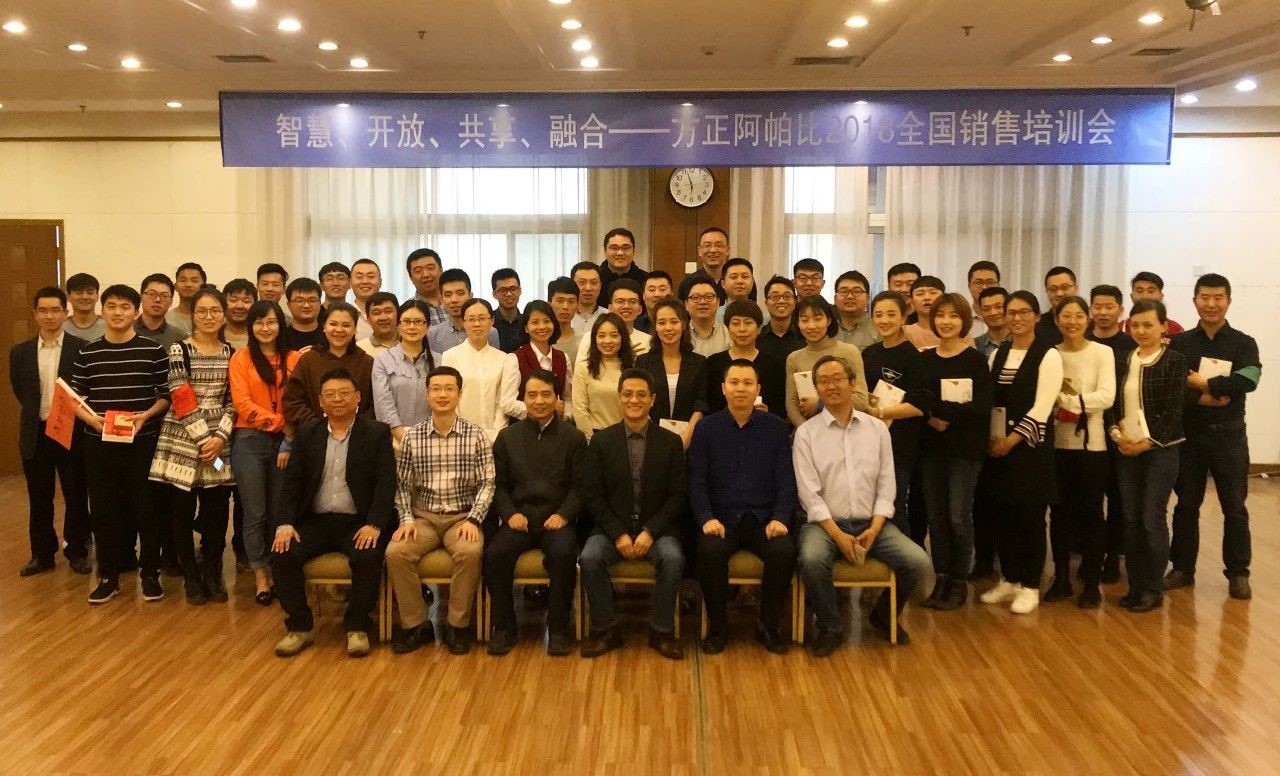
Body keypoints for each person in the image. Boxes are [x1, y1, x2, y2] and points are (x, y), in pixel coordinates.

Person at [795, 355, 932, 655]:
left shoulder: (877, 429)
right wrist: (837, 535)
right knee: (812, 559)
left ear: (853, 383)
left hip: (873, 524)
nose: (831, 386)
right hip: (824, 525)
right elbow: (809, 495)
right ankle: (831, 627)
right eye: (823, 381)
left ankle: (883, 615)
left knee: (918, 562)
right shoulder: (806, 434)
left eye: (837, 379)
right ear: (816, 388)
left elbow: (887, 484)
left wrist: (876, 527)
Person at [271, 368, 396, 658]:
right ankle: (300, 626)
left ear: (358, 397)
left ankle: (357, 626)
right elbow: (291, 483)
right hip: (315, 521)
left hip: (358, 521)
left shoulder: (376, 433)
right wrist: (284, 523)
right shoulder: (307, 433)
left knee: (368, 554)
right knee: (282, 552)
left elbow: (386, 483)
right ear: (321, 401)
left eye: (344, 393)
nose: (337, 399)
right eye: (330, 395)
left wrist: (375, 524)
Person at [71, 284, 170, 604]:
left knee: (147, 510)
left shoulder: (153, 350)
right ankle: (108, 577)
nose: (118, 312)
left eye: (125, 307)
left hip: (143, 443)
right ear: (102, 311)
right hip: (99, 444)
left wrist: (146, 415)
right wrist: (93, 420)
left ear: (136, 312)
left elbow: (166, 395)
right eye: (111, 306)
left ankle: (150, 575)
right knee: (103, 512)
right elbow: (73, 398)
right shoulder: (87, 353)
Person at [689, 360, 796, 654]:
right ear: (723, 388)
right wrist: (706, 518)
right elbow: (696, 480)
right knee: (709, 552)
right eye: (734, 382)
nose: (740, 388)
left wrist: (780, 517)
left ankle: (768, 626)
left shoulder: (775, 427)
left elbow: (786, 478)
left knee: (784, 550)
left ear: (757, 389)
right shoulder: (706, 428)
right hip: (721, 519)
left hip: (764, 519)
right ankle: (718, 627)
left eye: (747, 383)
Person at [579, 368, 687, 660]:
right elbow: (593, 495)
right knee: (590, 557)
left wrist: (651, 531)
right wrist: (618, 534)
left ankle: (661, 631)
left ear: (653, 399)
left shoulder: (671, 442)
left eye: (641, 394)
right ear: (619, 398)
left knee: (672, 558)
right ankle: (606, 630)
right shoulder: (601, 442)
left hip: (657, 530)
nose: (634, 400)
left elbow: (678, 496)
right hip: (612, 529)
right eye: (627, 394)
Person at [386, 366, 494, 655]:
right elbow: (402, 485)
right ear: (427, 394)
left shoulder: (476, 435)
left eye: (449, 389)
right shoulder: (412, 437)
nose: (442, 394)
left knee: (470, 552)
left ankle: (456, 625)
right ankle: (417, 624)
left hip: (462, 516)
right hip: (423, 517)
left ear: (459, 394)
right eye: (436, 389)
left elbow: (487, 483)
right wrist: (406, 519)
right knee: (396, 553)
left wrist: (474, 519)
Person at [1168, 273, 1261, 600]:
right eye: (1205, 297)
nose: (1211, 304)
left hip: (1229, 438)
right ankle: (1182, 568)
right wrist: (1200, 398)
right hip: (1189, 438)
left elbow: (1249, 380)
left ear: (1228, 301)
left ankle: (1238, 573)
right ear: (1194, 301)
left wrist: (1205, 384)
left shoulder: (1243, 343)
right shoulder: (1180, 344)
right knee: (1185, 505)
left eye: (1218, 297)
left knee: (1234, 507)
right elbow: (1172, 385)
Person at [484, 369, 587, 656]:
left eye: (545, 395)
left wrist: (564, 514)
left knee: (564, 555)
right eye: (532, 395)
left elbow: (581, 487)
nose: (539, 401)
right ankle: (504, 628)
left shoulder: (574, 438)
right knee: (495, 555)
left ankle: (558, 630)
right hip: (519, 519)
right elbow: (498, 485)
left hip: (557, 520)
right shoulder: (507, 438)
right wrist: (510, 514)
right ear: (523, 399)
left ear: (556, 398)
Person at [148, 288, 237, 606]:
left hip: (218, 447)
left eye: (215, 311)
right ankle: (190, 576)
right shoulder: (179, 349)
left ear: (223, 314)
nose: (209, 317)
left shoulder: (231, 353)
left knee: (217, 510)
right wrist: (203, 439)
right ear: (193, 315)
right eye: (202, 311)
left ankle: (212, 571)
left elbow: (233, 400)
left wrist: (220, 438)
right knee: (181, 511)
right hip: (183, 442)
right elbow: (180, 394)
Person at [979, 291, 1063, 615]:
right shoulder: (999, 353)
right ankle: (1009, 578)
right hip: (999, 448)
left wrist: (1011, 440)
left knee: (1030, 519)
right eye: (1011, 312)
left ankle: (1030, 585)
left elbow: (1043, 407)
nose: (1016, 318)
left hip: (1030, 449)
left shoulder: (1049, 354)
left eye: (1023, 312)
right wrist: (993, 439)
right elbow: (990, 400)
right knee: (1003, 515)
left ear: (1037, 317)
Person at [1109, 300, 1187, 613]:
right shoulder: (1123, 359)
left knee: (1151, 519)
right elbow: (1114, 405)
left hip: (1161, 451)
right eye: (1135, 325)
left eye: (1148, 325)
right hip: (1126, 449)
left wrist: (1147, 443)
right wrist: (1118, 436)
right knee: (1130, 520)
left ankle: (1153, 588)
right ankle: (1136, 585)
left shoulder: (1174, 360)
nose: (1141, 331)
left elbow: (1173, 411)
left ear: (1163, 327)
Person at [9, 287, 91, 576]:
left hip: (72, 431)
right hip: (36, 432)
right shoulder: (20, 352)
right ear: (35, 314)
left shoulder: (81, 348)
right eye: (43, 310)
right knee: (39, 496)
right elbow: (21, 391)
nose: (49, 316)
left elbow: (86, 389)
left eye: (55, 310)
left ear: (65, 313)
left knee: (76, 494)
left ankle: (77, 551)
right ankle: (42, 555)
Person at [919, 294, 993, 611]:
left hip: (965, 450)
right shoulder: (925, 359)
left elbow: (981, 407)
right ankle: (942, 577)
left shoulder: (975, 360)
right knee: (936, 517)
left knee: (958, 516)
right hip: (931, 448)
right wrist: (931, 415)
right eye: (941, 315)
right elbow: (920, 398)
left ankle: (960, 580)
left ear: (964, 321)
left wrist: (945, 414)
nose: (946, 321)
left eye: (953, 316)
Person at [1044, 296, 1116, 608]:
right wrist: (1071, 404)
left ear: (1088, 319)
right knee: (1058, 514)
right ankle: (1061, 578)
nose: (1072, 321)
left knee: (1092, 514)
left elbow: (1107, 396)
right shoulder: (1050, 353)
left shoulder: (1102, 352)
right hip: (1057, 444)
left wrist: (1067, 402)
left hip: (1092, 446)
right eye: (1066, 316)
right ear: (1056, 320)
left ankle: (1092, 582)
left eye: (1078, 315)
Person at [230, 299, 300, 605]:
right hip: (250, 440)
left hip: (288, 442)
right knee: (255, 512)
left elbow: (300, 397)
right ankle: (260, 573)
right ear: (251, 327)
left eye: (271, 321)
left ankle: (280, 570)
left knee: (279, 511)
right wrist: (280, 423)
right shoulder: (241, 358)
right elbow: (241, 403)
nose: (265, 327)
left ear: (280, 325)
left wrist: (288, 429)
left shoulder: (294, 358)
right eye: (259, 322)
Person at [862, 291, 929, 538]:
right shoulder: (869, 353)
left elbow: (919, 405)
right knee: (871, 504)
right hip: (868, 441)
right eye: (878, 315)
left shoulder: (913, 356)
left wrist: (879, 412)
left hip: (900, 443)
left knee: (895, 503)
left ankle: (904, 556)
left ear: (903, 318)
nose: (884, 320)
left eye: (891, 314)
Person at [1086, 284, 1134, 583]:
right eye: (1098, 307)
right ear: (1090, 309)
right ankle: (1090, 554)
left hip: (1121, 430)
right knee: (1089, 499)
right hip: (1086, 429)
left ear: (1120, 310)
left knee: (1118, 498)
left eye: (1109, 307)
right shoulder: (1081, 341)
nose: (1103, 312)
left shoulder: (1130, 345)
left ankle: (1114, 556)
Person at [440, 299, 525, 444]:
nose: (477, 324)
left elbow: (503, 403)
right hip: (459, 438)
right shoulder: (450, 356)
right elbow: (449, 399)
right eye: (471, 319)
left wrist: (495, 435)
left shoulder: (505, 359)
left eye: (482, 319)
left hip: (496, 438)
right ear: (464, 322)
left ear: (492, 321)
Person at [283, 301, 374, 428]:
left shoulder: (366, 362)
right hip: (314, 432)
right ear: (324, 326)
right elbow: (292, 400)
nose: (339, 330)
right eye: (333, 324)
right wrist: (316, 426)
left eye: (346, 325)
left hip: (359, 433)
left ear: (354, 329)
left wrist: (356, 427)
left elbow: (375, 403)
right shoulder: (308, 360)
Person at [785, 295, 868, 428]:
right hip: (809, 431)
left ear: (828, 320)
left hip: (847, 429)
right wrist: (807, 432)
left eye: (818, 319)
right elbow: (791, 405)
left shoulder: (849, 352)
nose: (811, 326)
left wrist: (820, 404)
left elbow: (861, 400)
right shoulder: (794, 358)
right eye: (804, 320)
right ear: (798, 323)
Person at [635, 298, 707, 450]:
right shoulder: (643, 362)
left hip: (690, 439)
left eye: (674, 322)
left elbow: (701, 403)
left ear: (683, 325)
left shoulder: (699, 362)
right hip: (651, 439)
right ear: (655, 327)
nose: (668, 328)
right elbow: (640, 400)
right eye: (662, 323)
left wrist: (688, 435)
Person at [372, 299, 437, 451]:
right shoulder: (383, 360)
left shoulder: (439, 360)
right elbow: (383, 403)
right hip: (393, 441)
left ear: (428, 326)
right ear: (398, 325)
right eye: (406, 321)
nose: (412, 327)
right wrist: (402, 437)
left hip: (432, 440)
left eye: (418, 322)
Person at [705, 300, 786, 421]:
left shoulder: (773, 365)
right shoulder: (713, 363)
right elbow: (708, 405)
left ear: (759, 328)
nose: (742, 329)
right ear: (727, 328)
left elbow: (781, 406)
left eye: (748, 323)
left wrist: (768, 414)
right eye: (736, 323)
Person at [572, 313, 634, 439]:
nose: (607, 341)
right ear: (594, 339)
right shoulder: (583, 368)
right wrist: (591, 440)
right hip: (595, 436)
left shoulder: (633, 367)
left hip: (627, 436)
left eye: (614, 335)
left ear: (623, 337)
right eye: (601, 336)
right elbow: (579, 410)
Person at [574, 279, 652, 362]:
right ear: (610, 308)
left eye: (632, 302)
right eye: (620, 301)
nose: (626, 306)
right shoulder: (590, 337)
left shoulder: (648, 340)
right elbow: (581, 368)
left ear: (640, 309)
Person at [428, 268, 500, 354]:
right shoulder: (433, 335)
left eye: (460, 293)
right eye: (448, 295)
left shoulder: (489, 332)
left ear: (470, 296)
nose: (454, 300)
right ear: (442, 300)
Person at [513, 300, 568, 404]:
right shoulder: (514, 359)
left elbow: (568, 398)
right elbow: (509, 402)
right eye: (535, 322)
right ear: (526, 328)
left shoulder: (563, 358)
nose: (542, 327)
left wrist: (565, 411)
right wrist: (543, 408)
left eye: (547, 321)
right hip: (525, 415)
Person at [136, 273, 190, 351]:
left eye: (164, 296)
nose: (157, 300)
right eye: (152, 294)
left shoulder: (180, 337)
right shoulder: (125, 330)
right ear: (141, 297)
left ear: (171, 302)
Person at [678, 226, 731, 302]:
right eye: (707, 245)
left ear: (727, 250)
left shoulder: (735, 282)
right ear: (699, 251)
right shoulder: (688, 283)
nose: (713, 250)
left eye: (718, 245)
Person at [1127, 271, 1185, 337]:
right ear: (1131, 296)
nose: (1145, 296)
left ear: (1161, 296)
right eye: (1140, 291)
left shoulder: (1175, 330)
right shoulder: (1121, 327)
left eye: (1151, 291)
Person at [759, 276, 804, 359]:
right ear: (766, 303)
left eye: (787, 296)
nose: (781, 301)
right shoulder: (758, 337)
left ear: (795, 302)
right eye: (775, 296)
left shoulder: (804, 336)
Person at [683, 276, 730, 356]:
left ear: (718, 302)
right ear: (686, 304)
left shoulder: (729, 335)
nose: (702, 302)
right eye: (696, 298)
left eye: (708, 297)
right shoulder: (679, 336)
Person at [833, 270, 878, 350]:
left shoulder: (878, 328)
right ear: (835, 299)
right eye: (844, 291)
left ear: (867, 298)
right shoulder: (826, 329)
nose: (850, 296)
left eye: (857, 291)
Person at [598, 227, 648, 297]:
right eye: (614, 248)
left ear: (634, 250)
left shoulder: (646, 280)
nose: (620, 253)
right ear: (605, 251)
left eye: (625, 248)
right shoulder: (595, 279)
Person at [902, 276, 949, 350]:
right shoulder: (903, 332)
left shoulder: (955, 330)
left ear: (944, 300)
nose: (927, 297)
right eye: (920, 294)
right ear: (912, 303)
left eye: (933, 293)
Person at [547, 276, 583, 367]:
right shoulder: (541, 340)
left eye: (571, 301)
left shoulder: (584, 341)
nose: (565, 307)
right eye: (560, 301)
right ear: (549, 304)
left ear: (577, 305)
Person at [282, 277, 327, 352]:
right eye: (299, 301)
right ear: (288, 305)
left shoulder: (329, 335)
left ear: (320, 303)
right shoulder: (280, 338)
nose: (306, 305)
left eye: (312, 300)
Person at [406, 248, 448, 325]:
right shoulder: (407, 311)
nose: (425, 275)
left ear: (441, 271)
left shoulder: (459, 301)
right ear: (411, 278)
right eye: (418, 271)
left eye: (430, 268)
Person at [1037, 266, 1077, 346]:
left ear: (1076, 288)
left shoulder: (1089, 322)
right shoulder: (1037, 326)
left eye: (1065, 287)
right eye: (1053, 289)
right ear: (1046, 291)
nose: (1059, 293)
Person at [490, 268, 526, 353]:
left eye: (513, 289)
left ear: (520, 291)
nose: (509, 294)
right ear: (494, 294)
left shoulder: (527, 321)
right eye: (503, 290)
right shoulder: (488, 322)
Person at [64, 272, 107, 341]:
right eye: (79, 293)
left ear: (97, 296)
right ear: (68, 297)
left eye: (90, 293)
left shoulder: (109, 325)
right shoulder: (61, 327)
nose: (85, 297)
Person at [966, 260, 1001, 340]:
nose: (984, 287)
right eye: (978, 283)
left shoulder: (1010, 319)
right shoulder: (961, 319)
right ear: (969, 287)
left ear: (998, 286)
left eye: (990, 282)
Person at [356, 291, 399, 355]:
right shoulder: (359, 349)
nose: (383, 318)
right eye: (376, 313)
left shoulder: (411, 343)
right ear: (368, 319)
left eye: (388, 311)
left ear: (399, 314)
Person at [570, 261, 607, 334]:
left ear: (600, 286)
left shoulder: (608, 316)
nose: (588, 288)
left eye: (593, 283)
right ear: (572, 285)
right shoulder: (564, 315)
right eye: (582, 282)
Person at [973, 286, 1011, 357]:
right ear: (980, 312)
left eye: (998, 307)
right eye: (986, 309)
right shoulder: (974, 346)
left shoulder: (1021, 341)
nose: (993, 313)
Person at [349, 258, 382, 340]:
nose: (365, 281)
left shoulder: (393, 314)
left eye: (371, 277)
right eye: (359, 277)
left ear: (380, 282)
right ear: (350, 282)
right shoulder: (344, 315)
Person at [221, 278, 257, 350]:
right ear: (223, 303)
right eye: (233, 300)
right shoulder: (213, 335)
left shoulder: (261, 336)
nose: (239, 306)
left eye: (246, 301)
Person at [169, 261, 206, 331]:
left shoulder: (213, 319)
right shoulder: (166, 319)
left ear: (203, 286)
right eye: (183, 280)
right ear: (175, 286)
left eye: (194, 281)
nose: (188, 284)